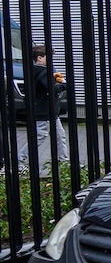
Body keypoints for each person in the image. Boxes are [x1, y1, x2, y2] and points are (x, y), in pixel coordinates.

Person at [17, 44, 70, 175]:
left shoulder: (33, 69)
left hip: (47, 110)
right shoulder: (43, 71)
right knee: (40, 135)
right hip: (44, 110)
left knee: (59, 135)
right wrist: (63, 84)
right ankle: (19, 159)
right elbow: (51, 90)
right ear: (40, 58)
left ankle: (63, 161)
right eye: (48, 57)